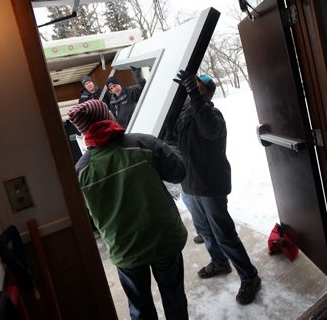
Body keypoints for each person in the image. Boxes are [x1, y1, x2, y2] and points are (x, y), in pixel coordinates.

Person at [68, 99, 189, 320]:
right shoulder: (143, 143)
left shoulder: (80, 171)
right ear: (108, 117)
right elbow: (178, 172)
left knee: (140, 308)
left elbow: (86, 219)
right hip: (164, 238)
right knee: (174, 296)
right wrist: (169, 142)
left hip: (125, 249)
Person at [172, 70, 261, 305]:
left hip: (210, 185)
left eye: (200, 89)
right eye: (193, 88)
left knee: (224, 233)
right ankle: (220, 263)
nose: (195, 92)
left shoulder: (213, 115)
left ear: (208, 94)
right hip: (189, 184)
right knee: (206, 231)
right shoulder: (183, 114)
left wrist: (193, 93)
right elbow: (173, 138)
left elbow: (209, 130)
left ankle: (250, 276)